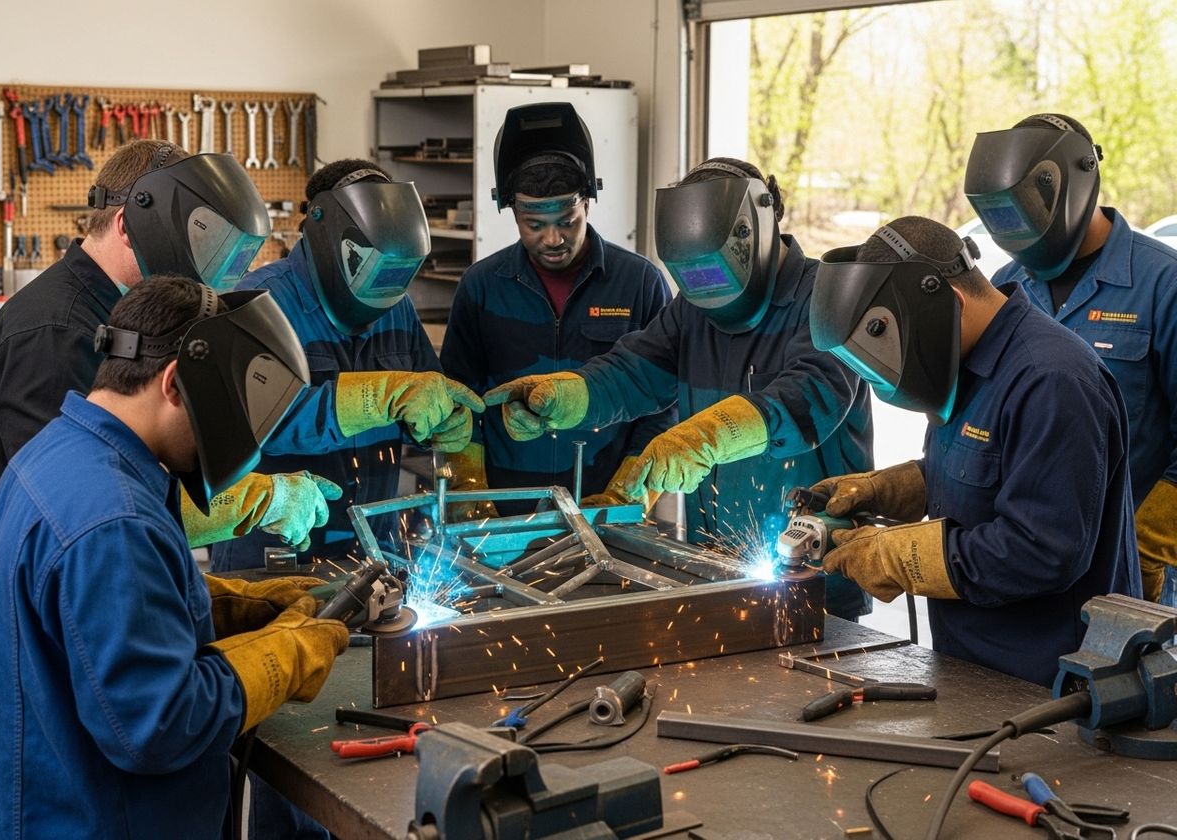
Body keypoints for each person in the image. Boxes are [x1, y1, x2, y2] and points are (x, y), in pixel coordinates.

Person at [0, 276, 349, 839]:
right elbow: (159, 723)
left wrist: (216, 605)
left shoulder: (54, 455)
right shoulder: (113, 518)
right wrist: (284, 654)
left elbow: (86, 626)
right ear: (176, 383)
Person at [485, 158, 874, 620]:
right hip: (715, 569)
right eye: (690, 280)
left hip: (815, 579)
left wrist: (705, 437)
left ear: (758, 232)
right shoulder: (692, 307)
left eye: (711, 276)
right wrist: (565, 395)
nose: (705, 295)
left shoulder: (829, 300)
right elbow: (632, 372)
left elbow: (810, 396)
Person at [808, 215, 1140, 686]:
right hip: (968, 667)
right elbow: (981, 472)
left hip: (1049, 685)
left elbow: (1043, 550)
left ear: (949, 306)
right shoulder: (959, 364)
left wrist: (900, 557)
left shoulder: (1052, 381)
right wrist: (888, 489)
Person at [0, 140, 339, 570]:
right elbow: (77, 512)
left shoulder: (115, 313)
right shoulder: (56, 332)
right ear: (128, 225)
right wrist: (260, 500)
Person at [210, 159, 481, 574]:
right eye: (372, 268)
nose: (384, 289)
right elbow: (248, 424)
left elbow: (426, 391)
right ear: (329, 237)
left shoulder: (398, 308)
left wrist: (442, 422)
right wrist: (375, 397)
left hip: (375, 548)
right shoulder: (258, 303)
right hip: (276, 554)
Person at [965, 113, 1177, 607]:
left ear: (1072, 185)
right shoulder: (1004, 286)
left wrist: (1145, 546)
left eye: (1020, 212)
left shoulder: (1163, 285)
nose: (1011, 232)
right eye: (998, 217)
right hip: (1032, 569)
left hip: (1139, 581)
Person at [441, 102, 674, 516]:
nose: (552, 238)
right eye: (534, 224)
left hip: (603, 502)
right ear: (510, 210)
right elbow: (460, 397)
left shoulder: (639, 283)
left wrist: (630, 490)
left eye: (567, 220)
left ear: (588, 202)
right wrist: (469, 488)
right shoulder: (480, 287)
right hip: (505, 505)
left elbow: (663, 401)